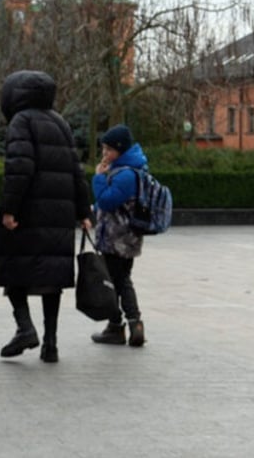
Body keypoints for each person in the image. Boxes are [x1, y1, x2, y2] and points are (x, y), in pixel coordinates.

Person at [0, 71, 92, 364]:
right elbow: (77, 170)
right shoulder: (60, 122)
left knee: (13, 271)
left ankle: (25, 328)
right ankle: (51, 344)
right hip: (59, 215)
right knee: (53, 279)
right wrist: (84, 211)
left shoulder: (20, 121)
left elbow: (19, 168)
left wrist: (10, 209)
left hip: (29, 213)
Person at [90, 124, 147, 347]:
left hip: (117, 238)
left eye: (109, 150)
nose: (105, 154)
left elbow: (107, 200)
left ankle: (120, 326)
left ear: (120, 149)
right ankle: (131, 325)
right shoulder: (132, 169)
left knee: (116, 281)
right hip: (127, 237)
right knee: (121, 279)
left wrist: (98, 178)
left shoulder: (125, 174)